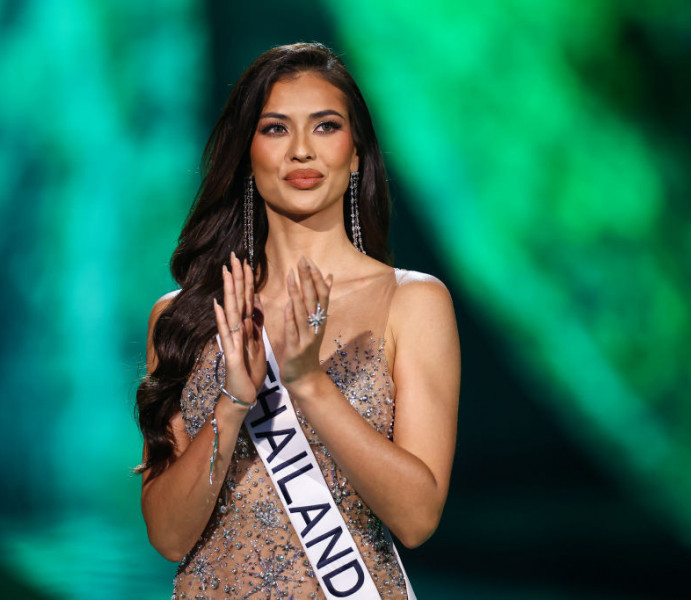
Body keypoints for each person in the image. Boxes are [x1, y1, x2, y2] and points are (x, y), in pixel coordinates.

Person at [136, 42, 460, 599]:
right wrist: (233, 402)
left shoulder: (412, 302)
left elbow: (417, 517)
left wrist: (309, 383)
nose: (302, 151)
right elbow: (167, 536)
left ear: (356, 154)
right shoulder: (184, 316)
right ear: (247, 154)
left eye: (326, 127)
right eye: (276, 129)